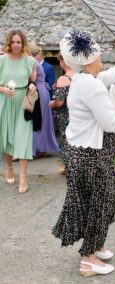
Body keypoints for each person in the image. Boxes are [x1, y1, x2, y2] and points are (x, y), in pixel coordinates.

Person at [52, 30, 115, 277]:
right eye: (99, 54)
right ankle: (88, 259)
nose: (102, 59)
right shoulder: (90, 86)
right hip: (90, 156)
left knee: (98, 200)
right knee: (102, 201)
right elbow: (110, 122)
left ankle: (96, 244)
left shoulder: (82, 78)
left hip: (82, 153)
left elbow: (108, 75)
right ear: (91, 57)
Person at [0, 30, 37, 193]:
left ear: (23, 44)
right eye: (13, 42)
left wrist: (32, 85)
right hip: (5, 101)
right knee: (7, 137)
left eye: (19, 42)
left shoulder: (29, 61)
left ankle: (23, 177)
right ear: (9, 43)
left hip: (23, 103)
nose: (16, 45)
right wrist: (2, 89)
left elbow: (32, 79)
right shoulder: (1, 60)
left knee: (23, 138)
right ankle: (9, 167)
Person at [28, 42, 59, 158]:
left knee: (38, 119)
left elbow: (32, 78)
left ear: (29, 51)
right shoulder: (34, 61)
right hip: (41, 90)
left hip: (38, 91)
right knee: (42, 119)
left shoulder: (32, 62)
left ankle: (39, 148)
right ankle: (41, 148)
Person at [48, 53, 74, 174]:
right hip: (79, 113)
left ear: (63, 62)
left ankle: (68, 166)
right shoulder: (81, 75)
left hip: (66, 114)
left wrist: (51, 104)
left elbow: (59, 102)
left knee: (66, 138)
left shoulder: (64, 79)